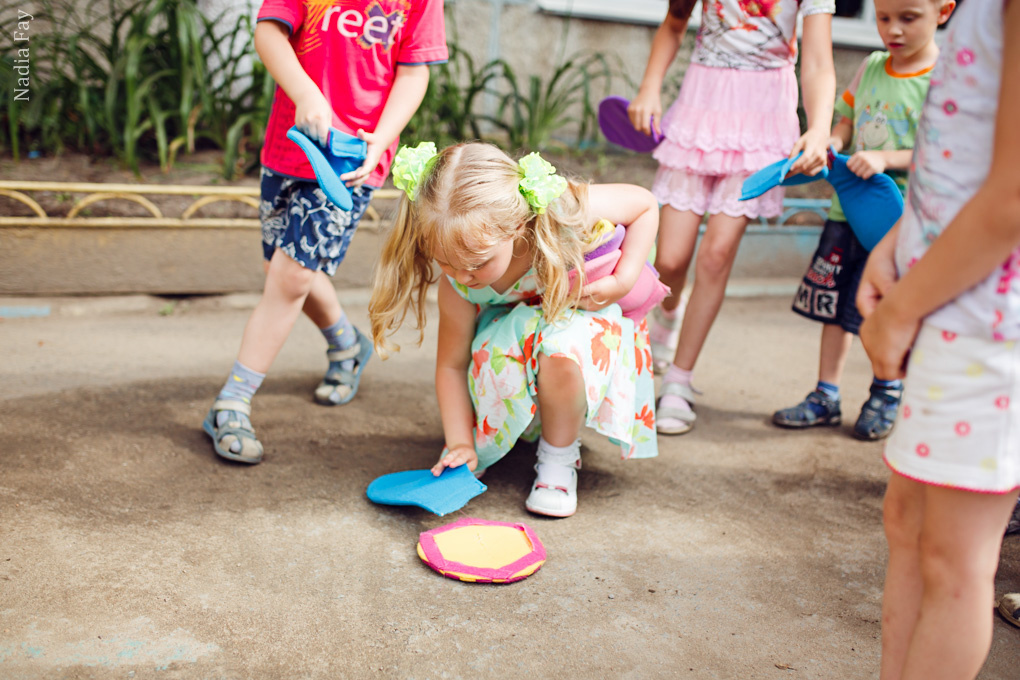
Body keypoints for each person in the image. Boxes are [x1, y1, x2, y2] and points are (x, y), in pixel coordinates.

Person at [202, 0, 448, 464]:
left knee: (292, 276)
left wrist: (384, 137)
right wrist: (308, 94)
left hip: (352, 159)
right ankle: (347, 345)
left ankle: (231, 401)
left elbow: (413, 71)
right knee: (282, 270)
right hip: (288, 147)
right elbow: (269, 33)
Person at [856, 0, 1020, 676]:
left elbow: (1012, 195)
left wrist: (898, 314)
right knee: (910, 528)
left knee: (954, 562)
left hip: (988, 322)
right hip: (944, 298)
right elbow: (961, 157)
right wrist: (895, 244)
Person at [369, 142, 660, 517]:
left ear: (517, 226)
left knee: (562, 346)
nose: (462, 276)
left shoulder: (560, 210)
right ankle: (510, 431)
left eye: (477, 263)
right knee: (515, 338)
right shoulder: (457, 286)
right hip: (517, 339)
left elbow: (645, 203)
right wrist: (460, 441)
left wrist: (624, 278)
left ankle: (558, 459)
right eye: (446, 262)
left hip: (579, 325)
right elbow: (451, 366)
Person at [628, 0, 836, 435]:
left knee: (716, 255)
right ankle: (667, 318)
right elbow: (675, 21)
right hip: (700, 109)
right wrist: (649, 86)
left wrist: (818, 127)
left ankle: (679, 382)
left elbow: (817, 60)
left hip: (764, 118)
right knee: (669, 259)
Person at [773, 0, 956, 441]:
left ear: (943, 12)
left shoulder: (947, 77)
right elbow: (845, 122)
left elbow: (946, 153)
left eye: (908, 18)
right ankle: (825, 395)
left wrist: (886, 158)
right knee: (836, 308)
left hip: (900, 223)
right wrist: (830, 144)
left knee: (883, 307)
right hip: (848, 211)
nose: (893, 30)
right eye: (883, 18)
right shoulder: (872, 66)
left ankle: (886, 390)